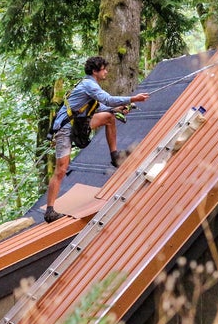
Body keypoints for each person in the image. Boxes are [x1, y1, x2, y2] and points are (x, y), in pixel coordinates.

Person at [44, 56, 149, 223]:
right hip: (65, 128)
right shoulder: (89, 85)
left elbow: (100, 107)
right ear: (95, 71)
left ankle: (114, 156)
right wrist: (133, 98)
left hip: (78, 124)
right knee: (61, 169)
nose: (106, 71)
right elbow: (107, 99)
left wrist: (117, 108)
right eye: (103, 69)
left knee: (108, 117)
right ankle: (50, 211)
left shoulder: (89, 86)